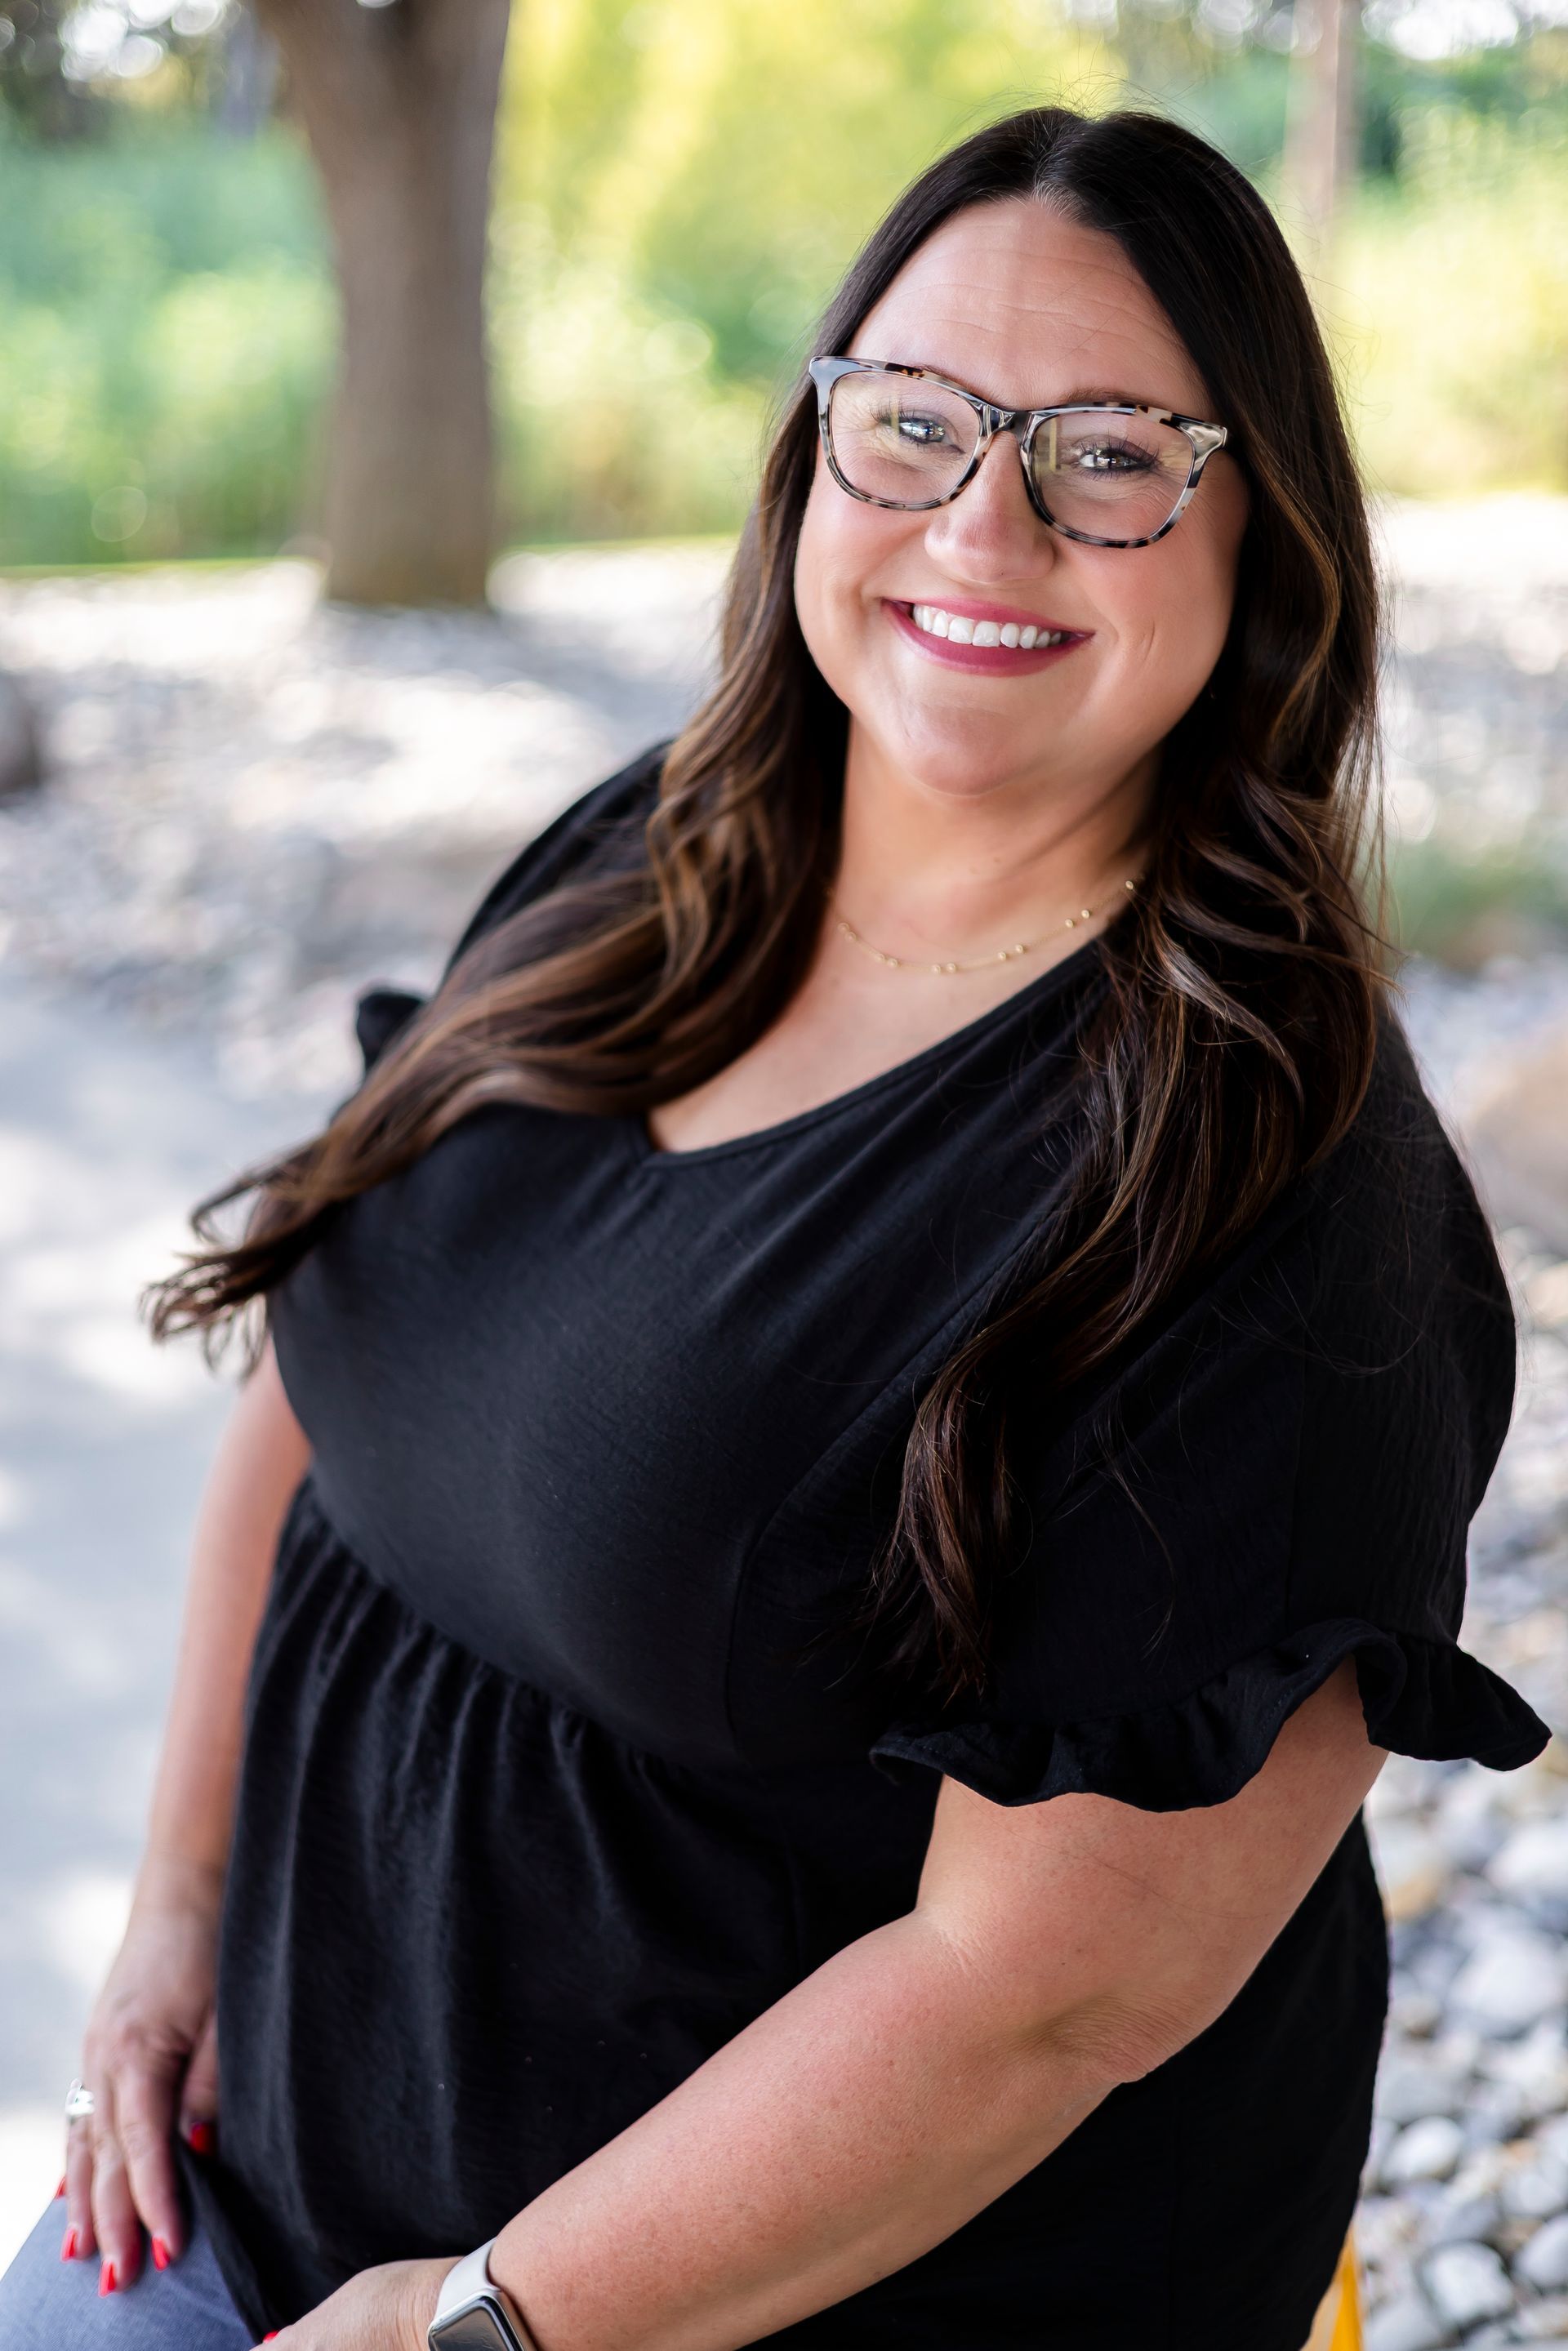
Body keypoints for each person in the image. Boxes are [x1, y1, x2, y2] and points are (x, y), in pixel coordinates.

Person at [0, 101, 1548, 2351]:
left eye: (1109, 453)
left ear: (1263, 538)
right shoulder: (653, 857)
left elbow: (1034, 2007)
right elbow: (335, 1379)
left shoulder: (1285, 1216)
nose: (983, 523)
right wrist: (176, 1915)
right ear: (813, 457)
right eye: (909, 426)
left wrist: (484, 2316)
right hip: (244, 2206)